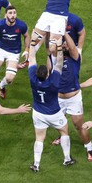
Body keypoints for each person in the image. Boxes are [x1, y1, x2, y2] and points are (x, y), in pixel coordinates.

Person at [28, 34, 74, 172]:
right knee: (64, 132)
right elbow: (59, 62)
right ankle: (67, 159)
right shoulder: (53, 82)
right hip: (54, 113)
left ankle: (36, 164)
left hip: (38, 113)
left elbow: (31, 58)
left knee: (39, 138)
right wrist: (59, 47)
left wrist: (32, 44)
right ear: (47, 74)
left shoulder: (32, 79)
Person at [50, 33, 92, 161]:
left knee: (78, 125)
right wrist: (58, 37)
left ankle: (89, 148)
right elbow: (52, 50)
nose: (64, 45)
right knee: (59, 122)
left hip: (73, 98)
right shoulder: (54, 58)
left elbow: (73, 48)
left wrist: (64, 32)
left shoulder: (75, 58)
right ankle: (62, 136)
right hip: (58, 98)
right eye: (62, 43)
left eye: (66, 44)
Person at [0, 6, 30, 99]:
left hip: (14, 52)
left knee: (9, 78)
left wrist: (27, 50)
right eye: (10, 13)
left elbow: (27, 36)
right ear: (5, 15)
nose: (12, 15)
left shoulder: (21, 25)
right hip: (0, 49)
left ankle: (1, 86)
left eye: (14, 13)